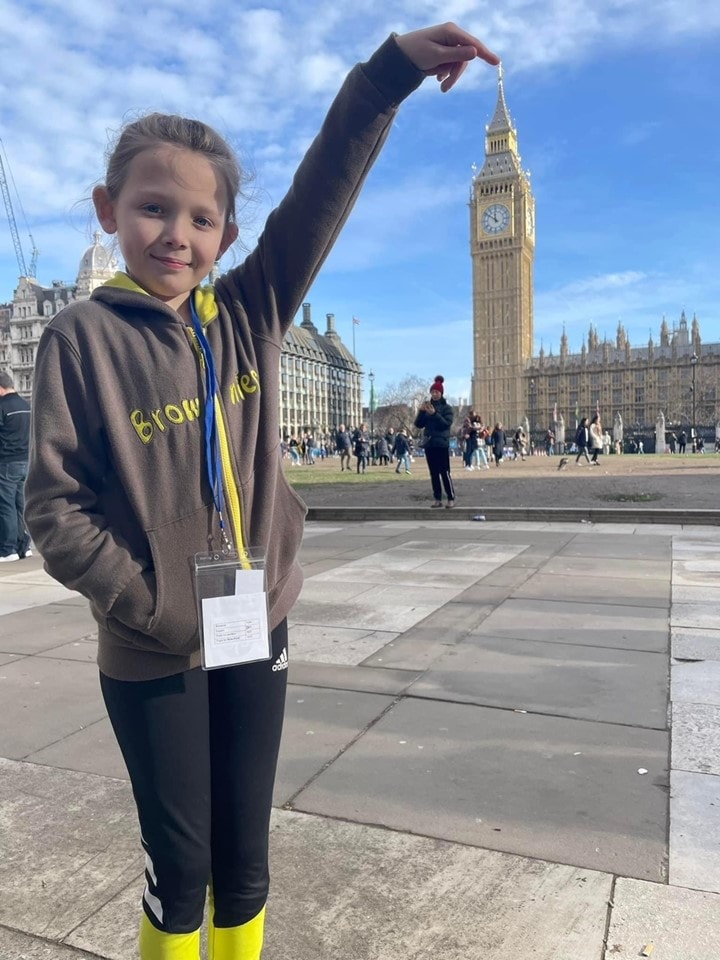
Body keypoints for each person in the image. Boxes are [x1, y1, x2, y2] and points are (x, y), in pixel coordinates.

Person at [23, 24, 500, 960]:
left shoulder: (254, 308)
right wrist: (152, 606)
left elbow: (324, 188)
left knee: (247, 864)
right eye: (153, 208)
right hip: (155, 646)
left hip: (256, 625)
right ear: (107, 209)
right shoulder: (80, 338)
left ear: (229, 235)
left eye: (201, 219)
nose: (177, 233)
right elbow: (54, 507)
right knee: (182, 866)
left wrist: (390, 73)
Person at [0, 371, 32, 562]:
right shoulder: (25, 405)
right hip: (25, 461)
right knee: (21, 506)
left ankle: (7, 549)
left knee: (5, 506)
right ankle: (24, 546)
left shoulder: (2, 407)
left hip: (6, 463)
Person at [414, 375, 455, 507]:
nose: (434, 394)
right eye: (432, 392)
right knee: (433, 473)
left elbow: (446, 424)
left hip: (441, 444)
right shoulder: (427, 407)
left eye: (437, 392)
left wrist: (434, 414)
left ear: (441, 393)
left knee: (445, 472)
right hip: (429, 444)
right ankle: (437, 498)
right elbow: (418, 425)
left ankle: (450, 498)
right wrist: (421, 412)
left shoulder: (447, 408)